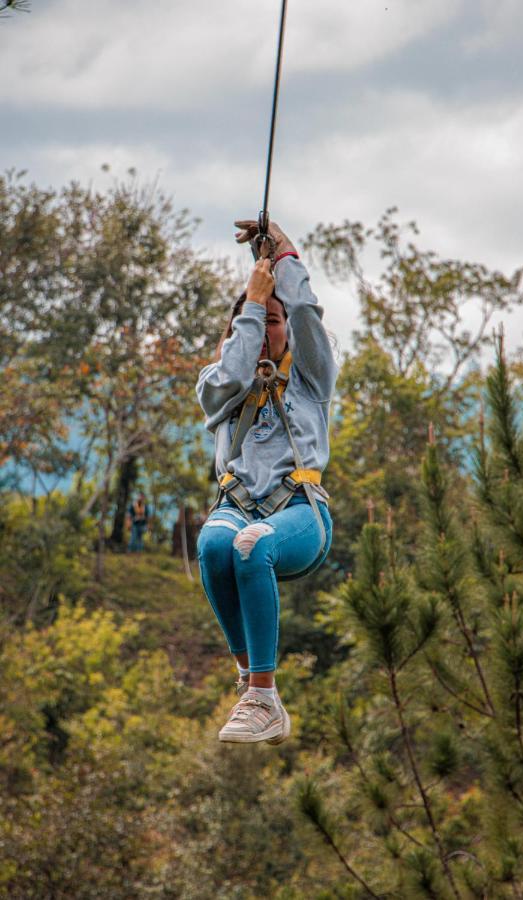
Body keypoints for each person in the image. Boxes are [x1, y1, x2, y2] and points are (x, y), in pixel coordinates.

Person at [196, 220, 337, 745]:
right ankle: (251, 680)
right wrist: (251, 309)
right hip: (238, 504)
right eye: (253, 324)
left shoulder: (311, 380)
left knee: (251, 544)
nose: (264, 331)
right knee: (213, 541)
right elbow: (230, 375)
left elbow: (303, 311)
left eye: (273, 323)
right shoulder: (219, 385)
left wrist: (282, 257)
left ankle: (263, 694)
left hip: (299, 513)